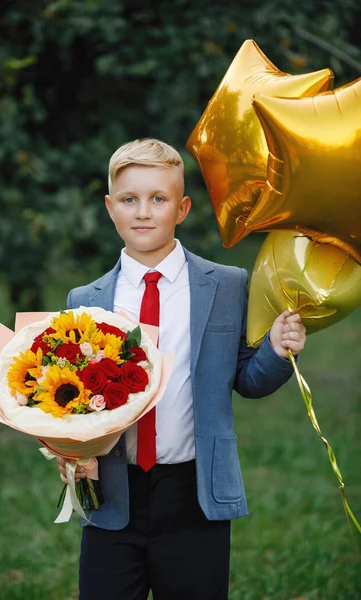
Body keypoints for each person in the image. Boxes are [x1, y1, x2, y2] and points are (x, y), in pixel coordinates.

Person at [57, 138, 306, 600]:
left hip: (194, 493)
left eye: (159, 199)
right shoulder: (86, 301)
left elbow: (247, 381)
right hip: (115, 494)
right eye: (130, 200)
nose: (144, 212)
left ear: (183, 207)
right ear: (111, 208)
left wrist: (275, 350)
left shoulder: (227, 285)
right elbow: (68, 398)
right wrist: (68, 447)